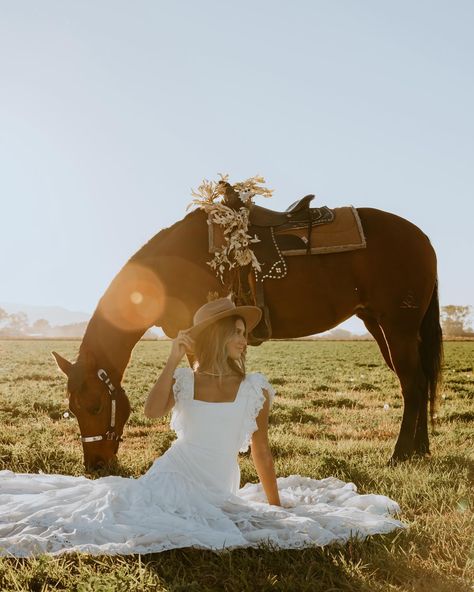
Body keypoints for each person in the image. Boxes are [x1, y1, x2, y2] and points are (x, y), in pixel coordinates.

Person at [0, 298, 404, 557]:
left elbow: (261, 450)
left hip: (219, 482)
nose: (245, 342)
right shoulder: (185, 382)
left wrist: (275, 503)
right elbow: (152, 411)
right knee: (123, 516)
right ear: (219, 337)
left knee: (224, 519)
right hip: (173, 475)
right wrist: (173, 357)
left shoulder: (254, 388)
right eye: (239, 335)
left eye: (245, 335)